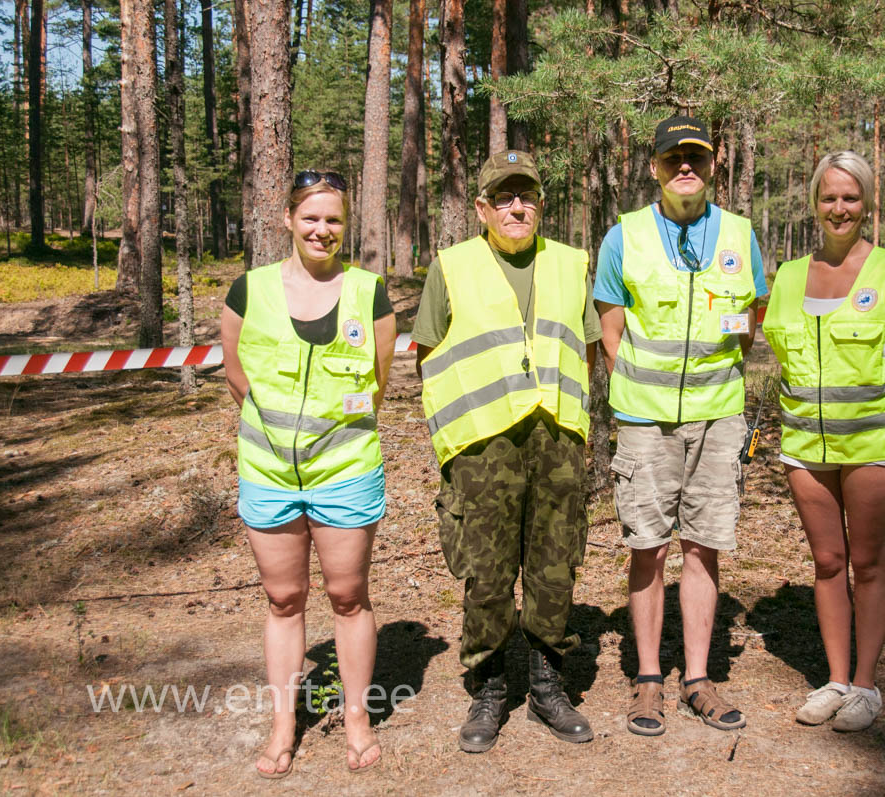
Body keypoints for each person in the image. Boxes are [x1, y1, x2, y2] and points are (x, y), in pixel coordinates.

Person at [413, 150, 601, 753]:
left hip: (557, 439)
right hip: (482, 445)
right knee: (486, 573)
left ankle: (548, 683)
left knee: (554, 565)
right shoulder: (451, 265)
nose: (516, 208)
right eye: (503, 198)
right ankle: (489, 686)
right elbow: (428, 356)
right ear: (481, 209)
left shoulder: (573, 263)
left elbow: (588, 348)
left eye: (526, 197)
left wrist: (578, 428)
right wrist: (457, 434)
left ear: (541, 205)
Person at [595, 115, 768, 737]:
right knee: (649, 547)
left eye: (695, 157)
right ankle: (648, 680)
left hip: (718, 418)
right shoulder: (624, 237)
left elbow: (752, 313)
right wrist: (644, 388)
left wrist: (712, 388)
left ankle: (697, 678)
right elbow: (610, 332)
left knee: (704, 545)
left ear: (714, 163)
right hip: (645, 422)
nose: (684, 168)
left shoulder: (740, 234)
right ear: (655, 168)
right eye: (673, 159)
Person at [220, 170, 396, 777]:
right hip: (268, 472)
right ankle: (283, 723)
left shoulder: (369, 292)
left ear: (347, 226)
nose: (323, 230)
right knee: (283, 597)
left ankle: (356, 716)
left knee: (348, 597)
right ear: (289, 221)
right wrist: (276, 431)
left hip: (345, 470)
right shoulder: (249, 289)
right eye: (312, 218)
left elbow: (377, 382)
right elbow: (236, 374)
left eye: (335, 220)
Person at [762, 150, 885, 732]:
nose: (840, 208)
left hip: (873, 447)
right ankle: (835, 679)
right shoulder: (786, 276)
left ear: (867, 203)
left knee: (866, 562)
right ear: (814, 202)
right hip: (805, 448)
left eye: (851, 197)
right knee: (828, 561)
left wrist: (878, 413)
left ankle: (866, 685)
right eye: (830, 197)